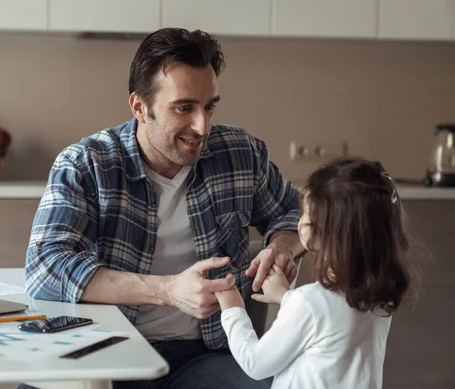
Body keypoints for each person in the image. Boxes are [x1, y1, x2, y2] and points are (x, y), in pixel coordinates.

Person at [22, 27, 303, 389]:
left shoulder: (241, 154)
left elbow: (294, 215)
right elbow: (46, 266)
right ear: (140, 106)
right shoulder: (86, 164)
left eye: (209, 106)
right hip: (109, 349)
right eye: (184, 107)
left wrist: (280, 247)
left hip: (210, 355)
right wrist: (168, 290)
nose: (202, 125)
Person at [214, 157, 419, 389]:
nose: (300, 221)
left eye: (305, 214)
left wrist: (232, 309)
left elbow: (255, 364)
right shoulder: (380, 290)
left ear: (325, 233)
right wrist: (286, 297)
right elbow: (331, 319)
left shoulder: (309, 303)